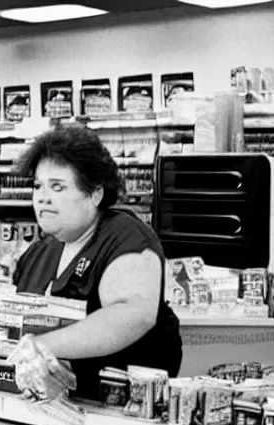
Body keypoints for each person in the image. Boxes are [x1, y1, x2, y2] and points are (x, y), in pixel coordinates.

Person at [11, 124, 183, 400]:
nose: (42, 197)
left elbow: (131, 315)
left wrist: (41, 347)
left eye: (58, 187)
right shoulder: (39, 252)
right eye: (38, 186)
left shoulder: (124, 237)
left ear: (95, 193)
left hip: (117, 414)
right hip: (48, 410)